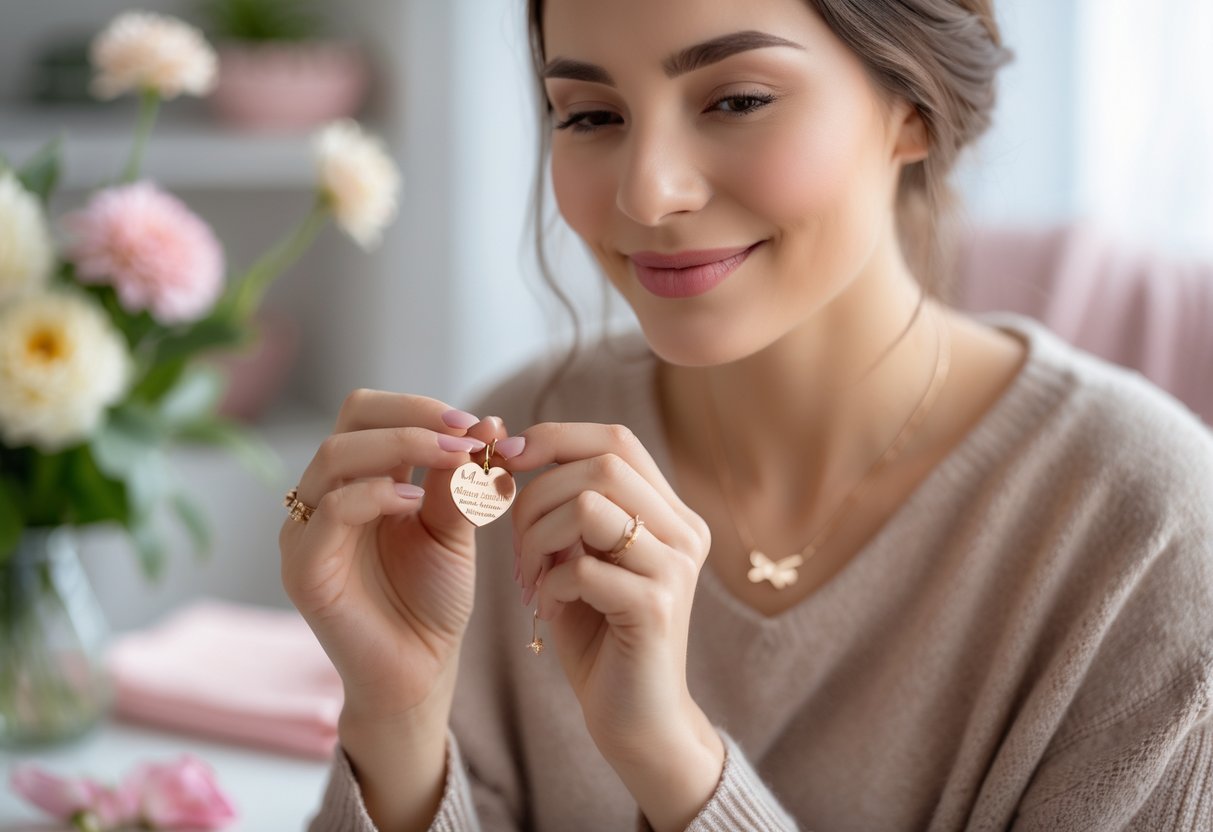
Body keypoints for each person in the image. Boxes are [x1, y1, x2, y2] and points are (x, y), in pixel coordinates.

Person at [283, 0, 1213, 829]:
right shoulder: (503, 465)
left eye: (736, 100)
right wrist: (397, 719)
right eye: (592, 115)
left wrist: (677, 763)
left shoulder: (1153, 537)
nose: (647, 192)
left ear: (912, 107)